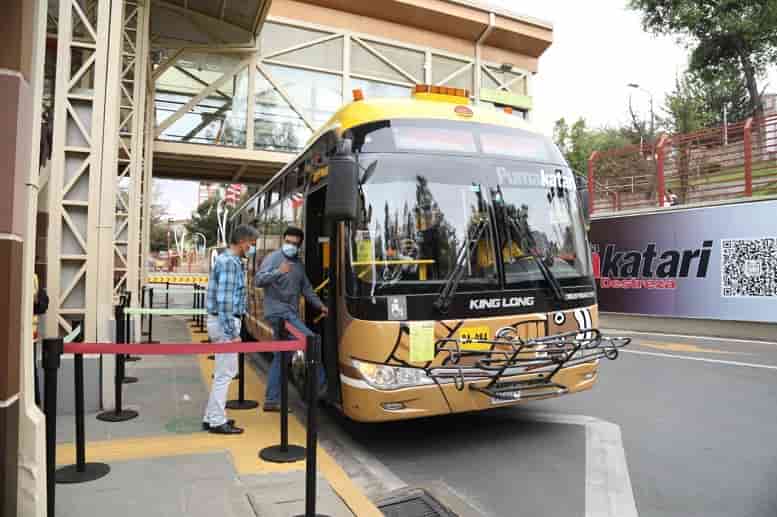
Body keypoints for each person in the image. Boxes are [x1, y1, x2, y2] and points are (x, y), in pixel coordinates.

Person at [255, 226, 328, 412]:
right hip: (279, 314)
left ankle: (271, 400)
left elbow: (307, 289)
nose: (291, 246)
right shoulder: (274, 258)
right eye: (288, 242)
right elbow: (259, 280)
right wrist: (279, 272)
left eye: (295, 244)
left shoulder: (298, 264)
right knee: (312, 342)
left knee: (281, 356)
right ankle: (320, 387)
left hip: (290, 313)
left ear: (300, 245)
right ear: (283, 240)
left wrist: (320, 305)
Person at [202, 224, 258, 434]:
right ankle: (217, 420)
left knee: (222, 372)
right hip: (225, 324)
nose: (252, 248)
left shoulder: (227, 260)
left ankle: (211, 416)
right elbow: (225, 301)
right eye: (252, 244)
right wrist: (233, 334)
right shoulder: (230, 264)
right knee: (226, 373)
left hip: (219, 322)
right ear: (243, 242)